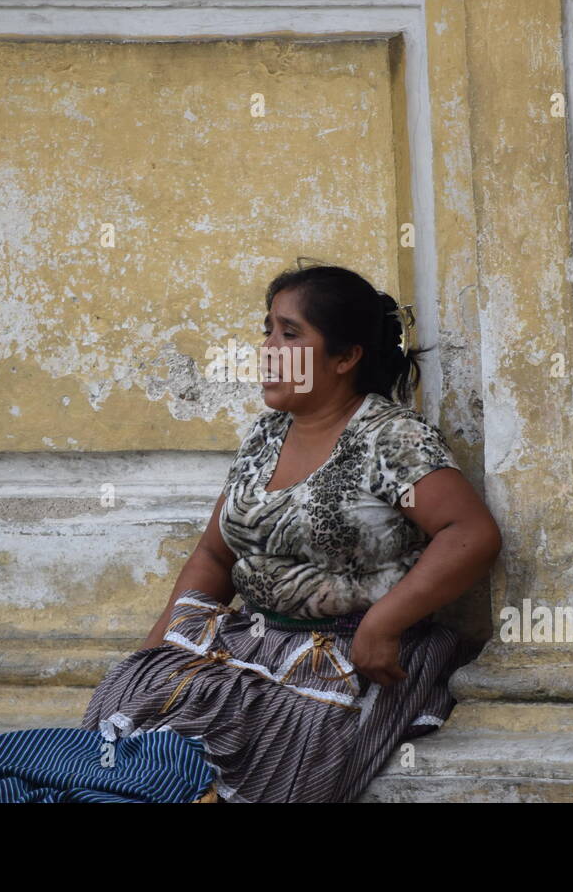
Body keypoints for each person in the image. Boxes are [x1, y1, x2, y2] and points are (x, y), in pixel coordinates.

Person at [80, 262, 503, 802]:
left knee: (262, 753)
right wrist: (159, 652)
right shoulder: (267, 434)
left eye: (291, 333)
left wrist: (385, 622)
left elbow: (468, 534)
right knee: (130, 714)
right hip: (250, 644)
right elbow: (214, 555)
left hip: (344, 658)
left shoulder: (389, 438)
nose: (268, 348)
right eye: (267, 330)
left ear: (346, 357)